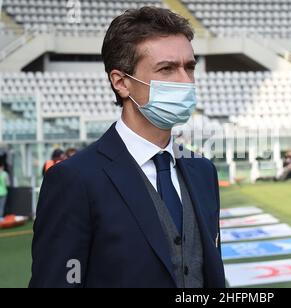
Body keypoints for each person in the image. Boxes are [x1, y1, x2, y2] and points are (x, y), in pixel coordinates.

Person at [30, 7, 225, 288]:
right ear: (121, 82)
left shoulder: (203, 171)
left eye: (189, 67)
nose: (186, 80)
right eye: (167, 68)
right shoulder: (74, 180)